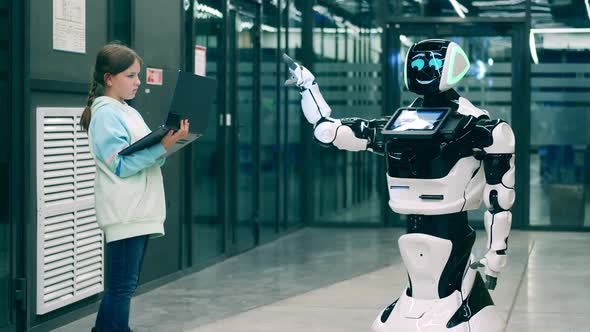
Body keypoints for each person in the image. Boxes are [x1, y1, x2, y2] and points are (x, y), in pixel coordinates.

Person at [283, 39, 515, 332]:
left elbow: (499, 196)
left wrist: (497, 250)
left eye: (431, 64)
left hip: (452, 227)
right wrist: (308, 86)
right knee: (420, 272)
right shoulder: (401, 124)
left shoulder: (477, 127)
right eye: (417, 64)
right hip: (417, 229)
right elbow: (328, 130)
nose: (424, 70)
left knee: (444, 279)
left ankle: (457, 306)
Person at [80, 43, 189, 332]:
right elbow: (119, 164)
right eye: (130, 75)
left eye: (138, 75)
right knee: (121, 288)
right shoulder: (105, 114)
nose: (137, 82)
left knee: (122, 287)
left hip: (138, 210)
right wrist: (160, 148)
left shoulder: (127, 111)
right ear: (109, 78)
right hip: (125, 211)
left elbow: (143, 157)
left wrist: (168, 143)